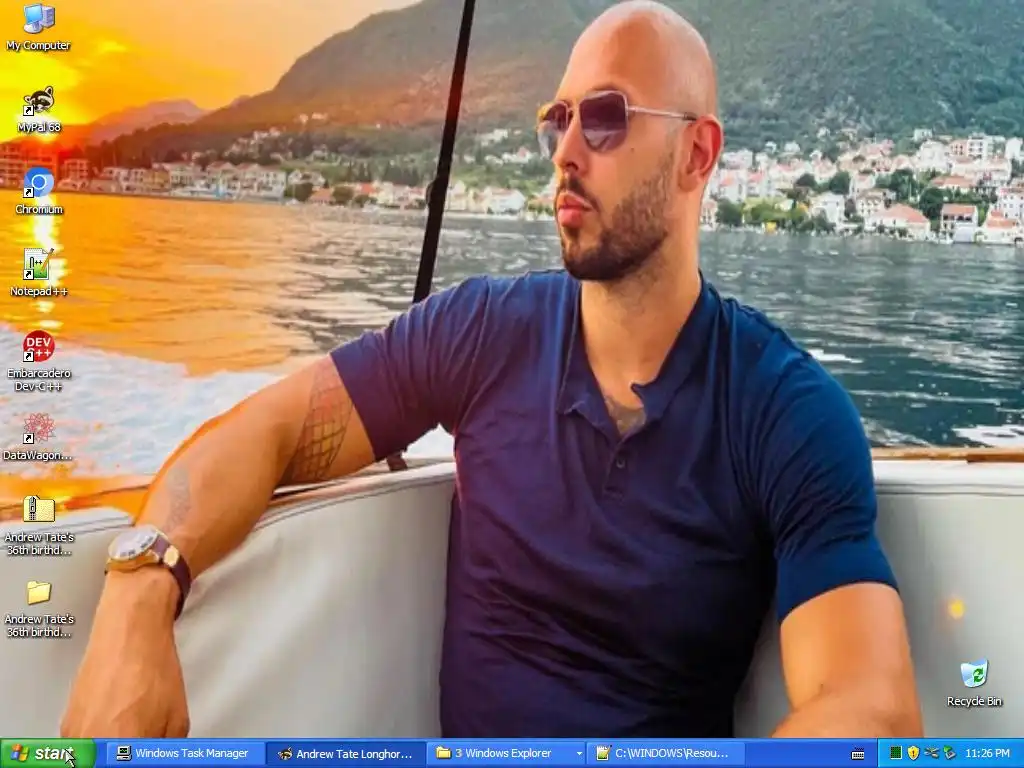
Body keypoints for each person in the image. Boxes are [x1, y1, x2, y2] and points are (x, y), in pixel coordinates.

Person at [61, 0, 922, 738]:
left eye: (606, 118)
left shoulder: (783, 413)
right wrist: (141, 593)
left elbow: (867, 710)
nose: (566, 152)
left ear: (697, 154)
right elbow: (274, 427)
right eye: (557, 120)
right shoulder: (480, 335)